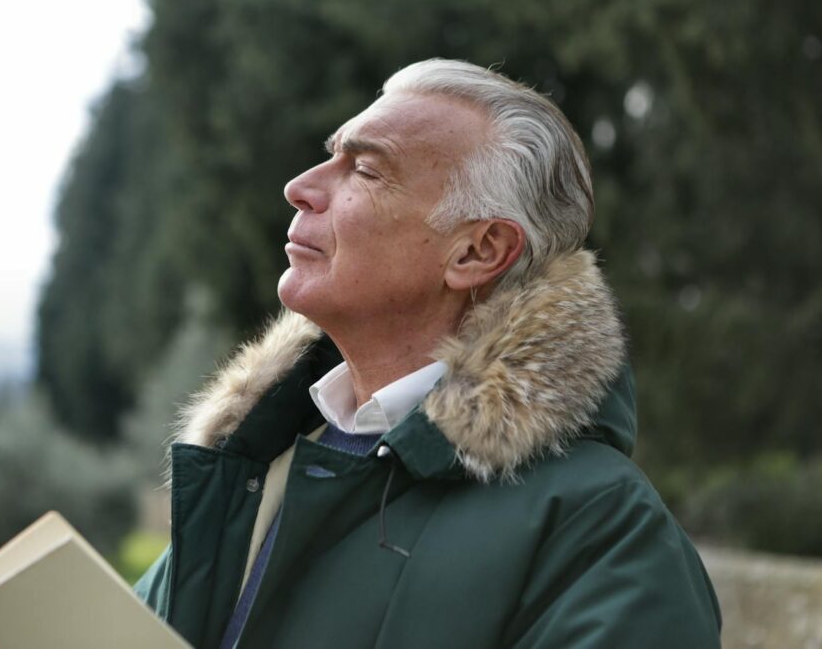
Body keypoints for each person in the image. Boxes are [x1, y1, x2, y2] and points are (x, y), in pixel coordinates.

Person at [135, 59, 721, 649]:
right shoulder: (256, 462)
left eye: (364, 170)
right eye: (331, 155)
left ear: (477, 251)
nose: (301, 187)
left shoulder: (602, 530)